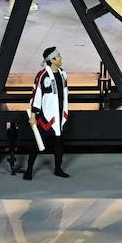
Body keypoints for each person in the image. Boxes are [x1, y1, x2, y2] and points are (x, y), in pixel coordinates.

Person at [25, 47, 70, 180]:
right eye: (58, 56)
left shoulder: (63, 73)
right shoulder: (42, 75)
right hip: (47, 116)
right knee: (37, 143)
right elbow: (36, 95)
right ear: (52, 59)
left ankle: (58, 168)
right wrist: (33, 115)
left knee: (59, 142)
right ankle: (29, 170)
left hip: (60, 115)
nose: (61, 58)